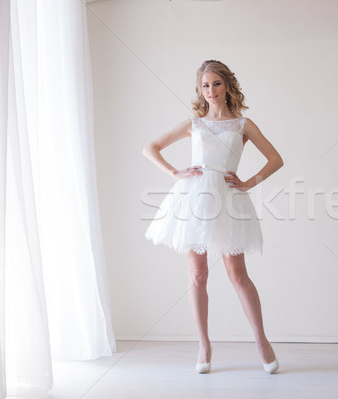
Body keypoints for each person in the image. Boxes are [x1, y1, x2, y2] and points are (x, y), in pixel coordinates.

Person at [142, 60, 284, 374]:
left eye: (216, 84)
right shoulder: (194, 123)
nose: (211, 91)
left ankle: (261, 340)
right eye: (205, 85)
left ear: (227, 85)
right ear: (200, 90)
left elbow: (276, 159)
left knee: (237, 275)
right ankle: (204, 344)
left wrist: (249, 183)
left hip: (227, 198)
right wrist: (175, 172)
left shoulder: (243, 124)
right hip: (194, 198)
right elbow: (150, 148)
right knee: (198, 275)